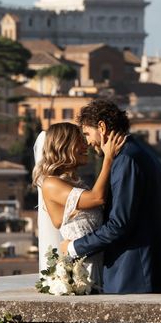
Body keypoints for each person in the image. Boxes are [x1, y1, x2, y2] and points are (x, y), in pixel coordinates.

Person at [60, 99, 161, 294]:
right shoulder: (140, 152)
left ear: (102, 127)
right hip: (143, 272)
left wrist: (74, 248)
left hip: (133, 276)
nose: (88, 143)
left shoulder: (126, 160)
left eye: (88, 134)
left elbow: (119, 224)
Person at [32, 122, 126, 289]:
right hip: (84, 271)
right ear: (63, 145)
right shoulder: (51, 184)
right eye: (80, 141)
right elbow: (97, 198)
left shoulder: (77, 183)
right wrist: (108, 159)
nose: (86, 145)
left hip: (102, 267)